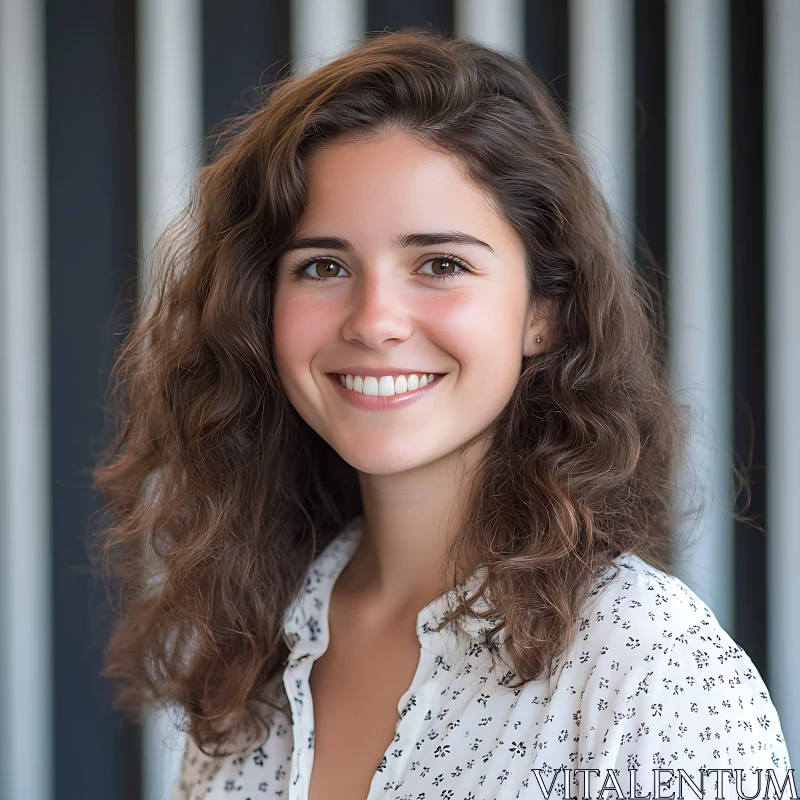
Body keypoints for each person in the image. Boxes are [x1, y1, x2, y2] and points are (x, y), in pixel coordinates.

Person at [91, 27, 791, 800]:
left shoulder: (650, 665)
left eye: (441, 264)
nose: (375, 320)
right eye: (323, 266)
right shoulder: (258, 641)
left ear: (544, 312)